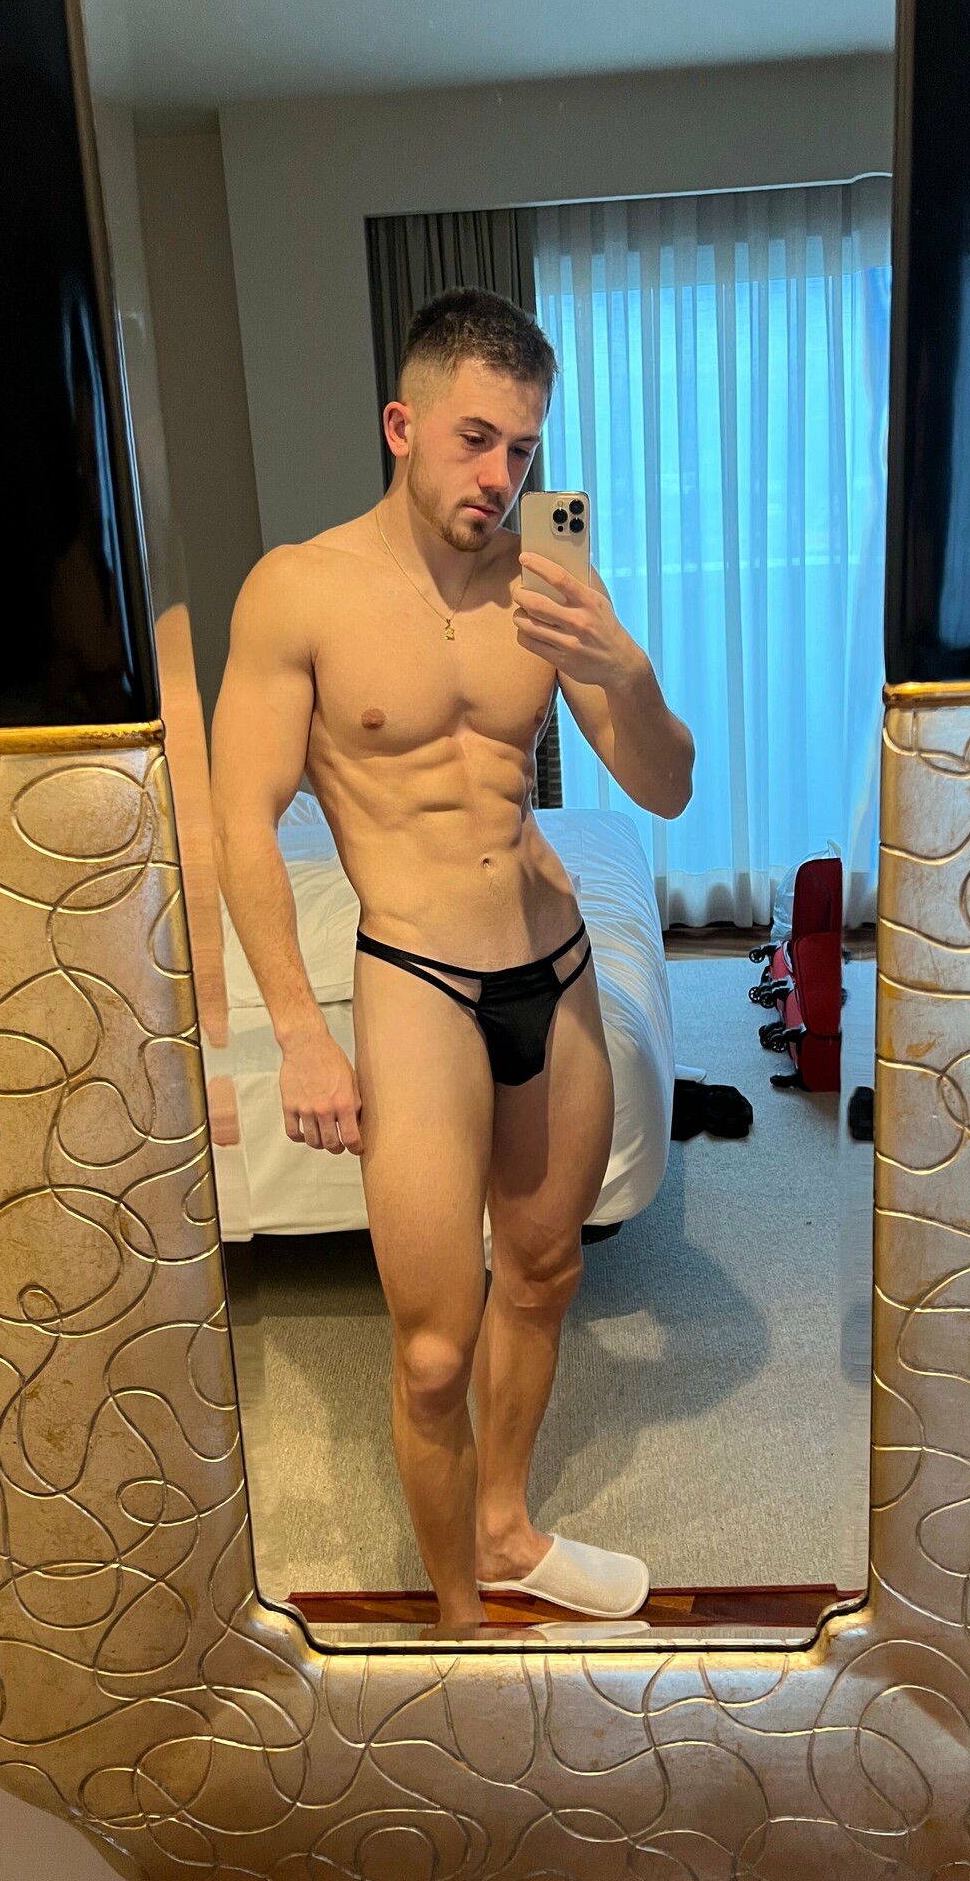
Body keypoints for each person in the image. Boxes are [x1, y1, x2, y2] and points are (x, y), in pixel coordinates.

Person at [211, 287, 694, 1629]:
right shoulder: (299, 589)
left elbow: (665, 788)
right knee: (432, 1354)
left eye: (524, 449)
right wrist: (302, 1033)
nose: (503, 476)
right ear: (401, 425)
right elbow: (241, 821)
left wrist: (624, 666)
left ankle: (508, 1533)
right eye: (476, 439)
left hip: (557, 962)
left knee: (546, 1273)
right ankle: (458, 1624)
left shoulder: (550, 574)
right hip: (417, 983)